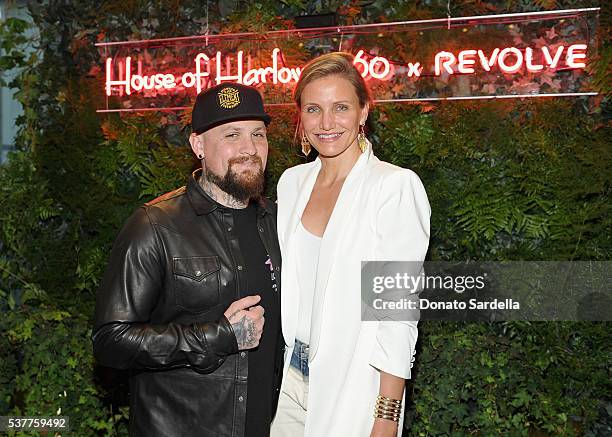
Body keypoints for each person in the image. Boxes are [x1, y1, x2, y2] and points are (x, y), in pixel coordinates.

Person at [92, 83, 284, 437]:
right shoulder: (155, 225)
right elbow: (111, 341)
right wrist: (218, 336)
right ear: (198, 146)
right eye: (231, 135)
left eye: (258, 134)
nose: (249, 148)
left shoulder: (277, 223)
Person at [271, 52, 431, 437]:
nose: (326, 123)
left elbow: (396, 311)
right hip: (288, 381)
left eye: (340, 107)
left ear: (363, 112)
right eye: (314, 109)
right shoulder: (290, 184)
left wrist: (387, 417)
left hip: (357, 385)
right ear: (300, 117)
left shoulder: (392, 187)